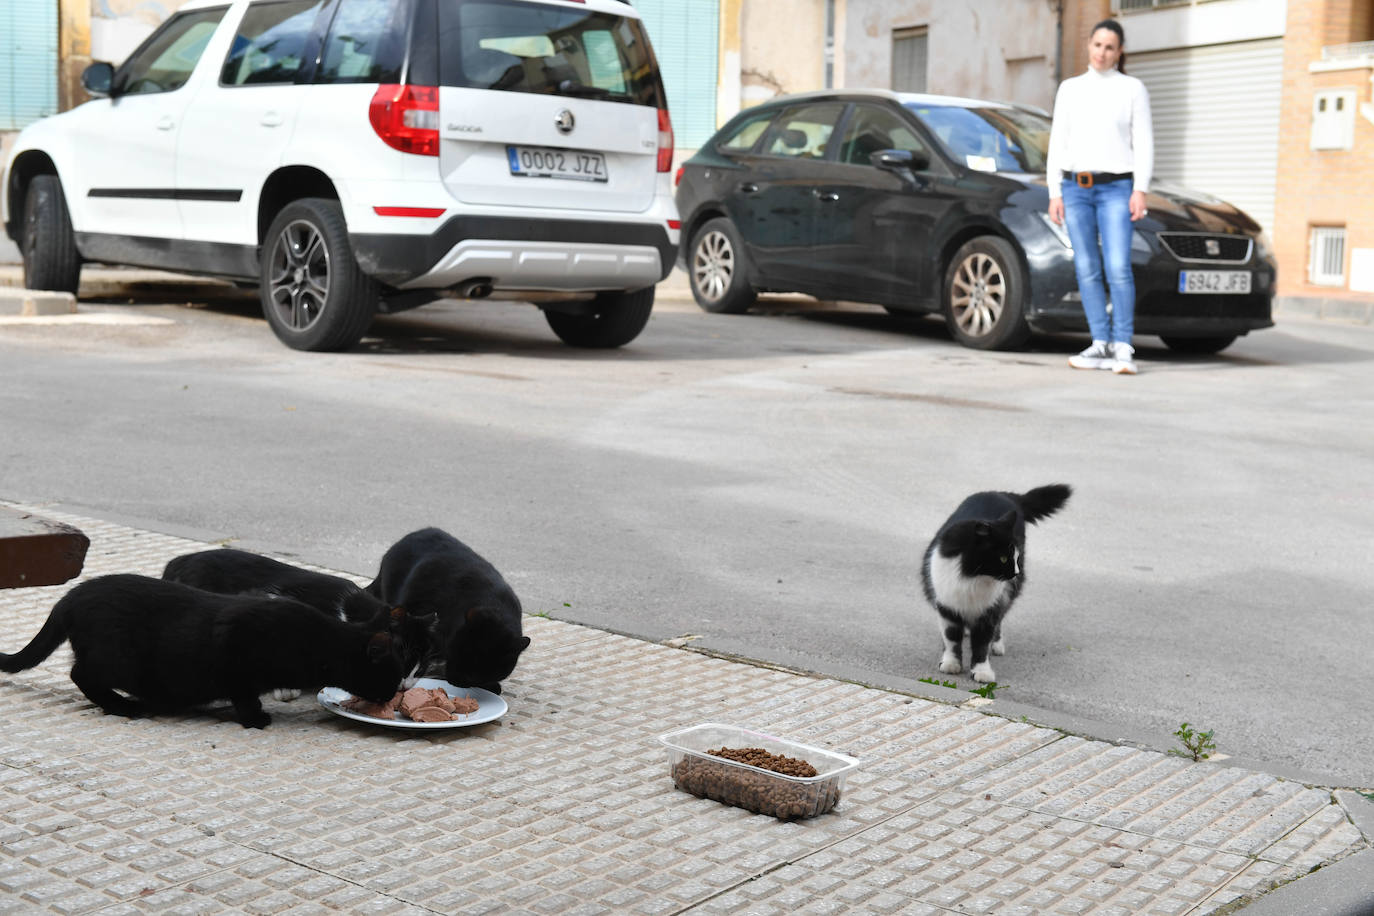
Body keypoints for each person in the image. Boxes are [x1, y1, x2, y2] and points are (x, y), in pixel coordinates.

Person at [1046, 19, 1153, 375]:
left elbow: (1144, 142)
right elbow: (1057, 142)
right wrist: (1054, 192)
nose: (1102, 53)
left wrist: (1140, 189)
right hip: (1075, 189)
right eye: (1097, 45)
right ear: (1088, 46)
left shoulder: (1132, 89)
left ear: (1119, 52)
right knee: (1086, 267)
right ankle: (1099, 342)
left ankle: (1122, 346)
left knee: (1118, 266)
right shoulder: (1070, 89)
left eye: (1109, 47)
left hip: (1117, 189)